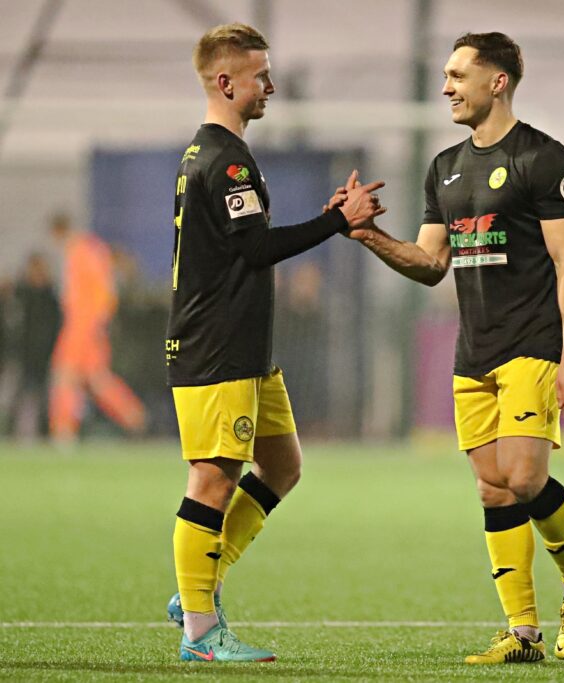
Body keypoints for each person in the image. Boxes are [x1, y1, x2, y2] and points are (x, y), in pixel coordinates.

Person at [342, 32, 564, 665]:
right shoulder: (444, 168)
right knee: (493, 490)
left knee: (524, 476)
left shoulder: (544, 158)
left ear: (499, 81)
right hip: (475, 352)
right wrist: (368, 234)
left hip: (532, 347)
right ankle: (523, 634)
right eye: (446, 76)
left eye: (459, 74)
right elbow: (431, 262)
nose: (446, 87)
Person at [164, 22, 384, 663]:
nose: (272, 85)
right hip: (217, 344)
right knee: (212, 480)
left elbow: (244, 244)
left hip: (246, 347)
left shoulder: (213, 154)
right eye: (261, 75)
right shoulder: (224, 157)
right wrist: (336, 221)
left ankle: (198, 584)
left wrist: (328, 220)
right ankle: (202, 633)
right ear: (226, 82)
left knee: (283, 466)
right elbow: (256, 249)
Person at [49, 213, 147, 443]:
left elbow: (104, 291)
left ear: (58, 232)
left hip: (83, 324)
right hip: (85, 323)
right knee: (95, 379)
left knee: (66, 375)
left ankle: (63, 430)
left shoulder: (83, 251)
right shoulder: (89, 249)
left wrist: (97, 322)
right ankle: (133, 416)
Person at [12, 252, 61, 439]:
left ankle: (44, 431)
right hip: (24, 352)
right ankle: (23, 432)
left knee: (46, 393)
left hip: (47, 353)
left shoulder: (50, 296)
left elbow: (56, 325)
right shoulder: (22, 293)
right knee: (23, 392)